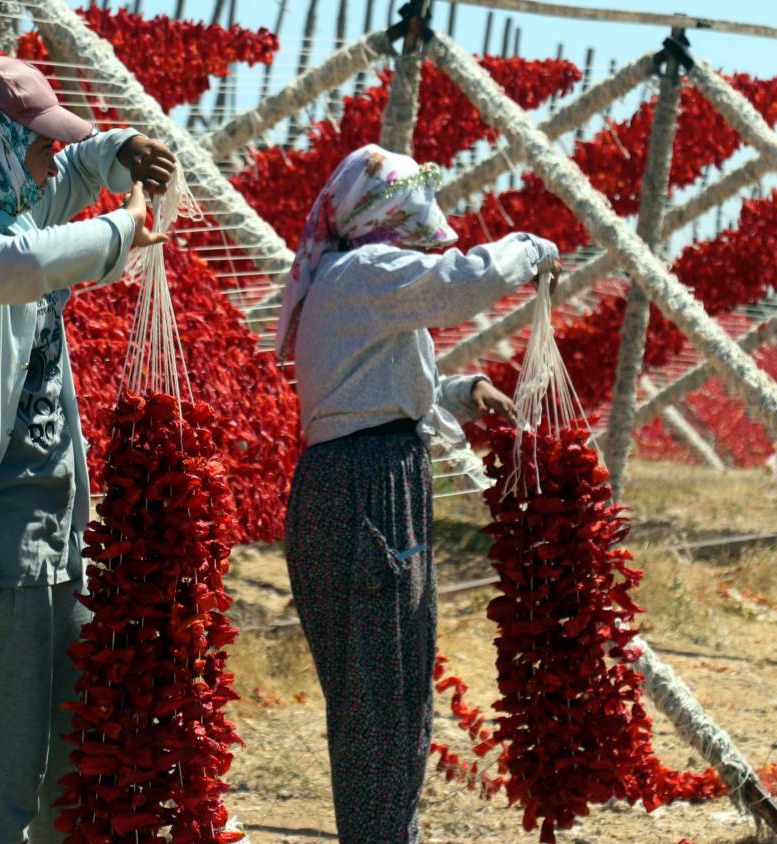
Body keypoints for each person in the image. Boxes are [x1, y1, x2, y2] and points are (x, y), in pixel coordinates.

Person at [0, 51, 176, 843]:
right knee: (5, 763)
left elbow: (69, 170)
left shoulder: (7, 200)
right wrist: (123, 228)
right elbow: (15, 263)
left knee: (71, 759)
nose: (46, 159)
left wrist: (119, 153)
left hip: (55, 535)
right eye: (32, 142)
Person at [277, 144, 560, 843]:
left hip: (346, 483)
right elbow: (462, 284)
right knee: (386, 701)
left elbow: (382, 394)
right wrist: (533, 249)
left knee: (371, 701)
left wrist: (467, 394)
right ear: (388, 212)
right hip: (368, 492)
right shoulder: (367, 270)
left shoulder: (345, 282)